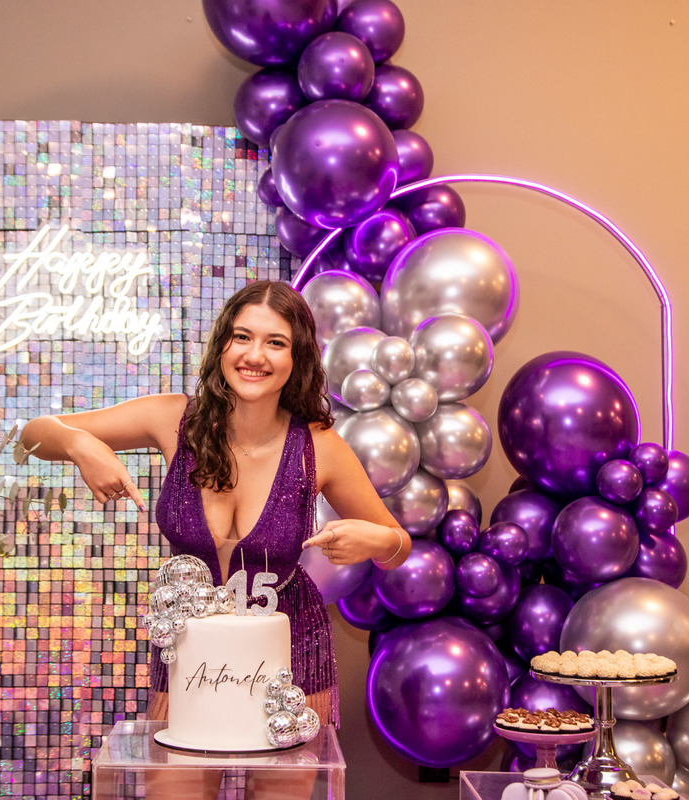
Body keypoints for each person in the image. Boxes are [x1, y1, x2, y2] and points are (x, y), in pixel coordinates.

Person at [20, 279, 410, 797]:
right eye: (242, 336)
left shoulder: (320, 446)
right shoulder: (172, 419)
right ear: (222, 344)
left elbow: (397, 545)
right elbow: (32, 435)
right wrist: (78, 444)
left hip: (290, 651)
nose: (255, 355)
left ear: (297, 357)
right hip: (191, 650)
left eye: (275, 342)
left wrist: (378, 543)